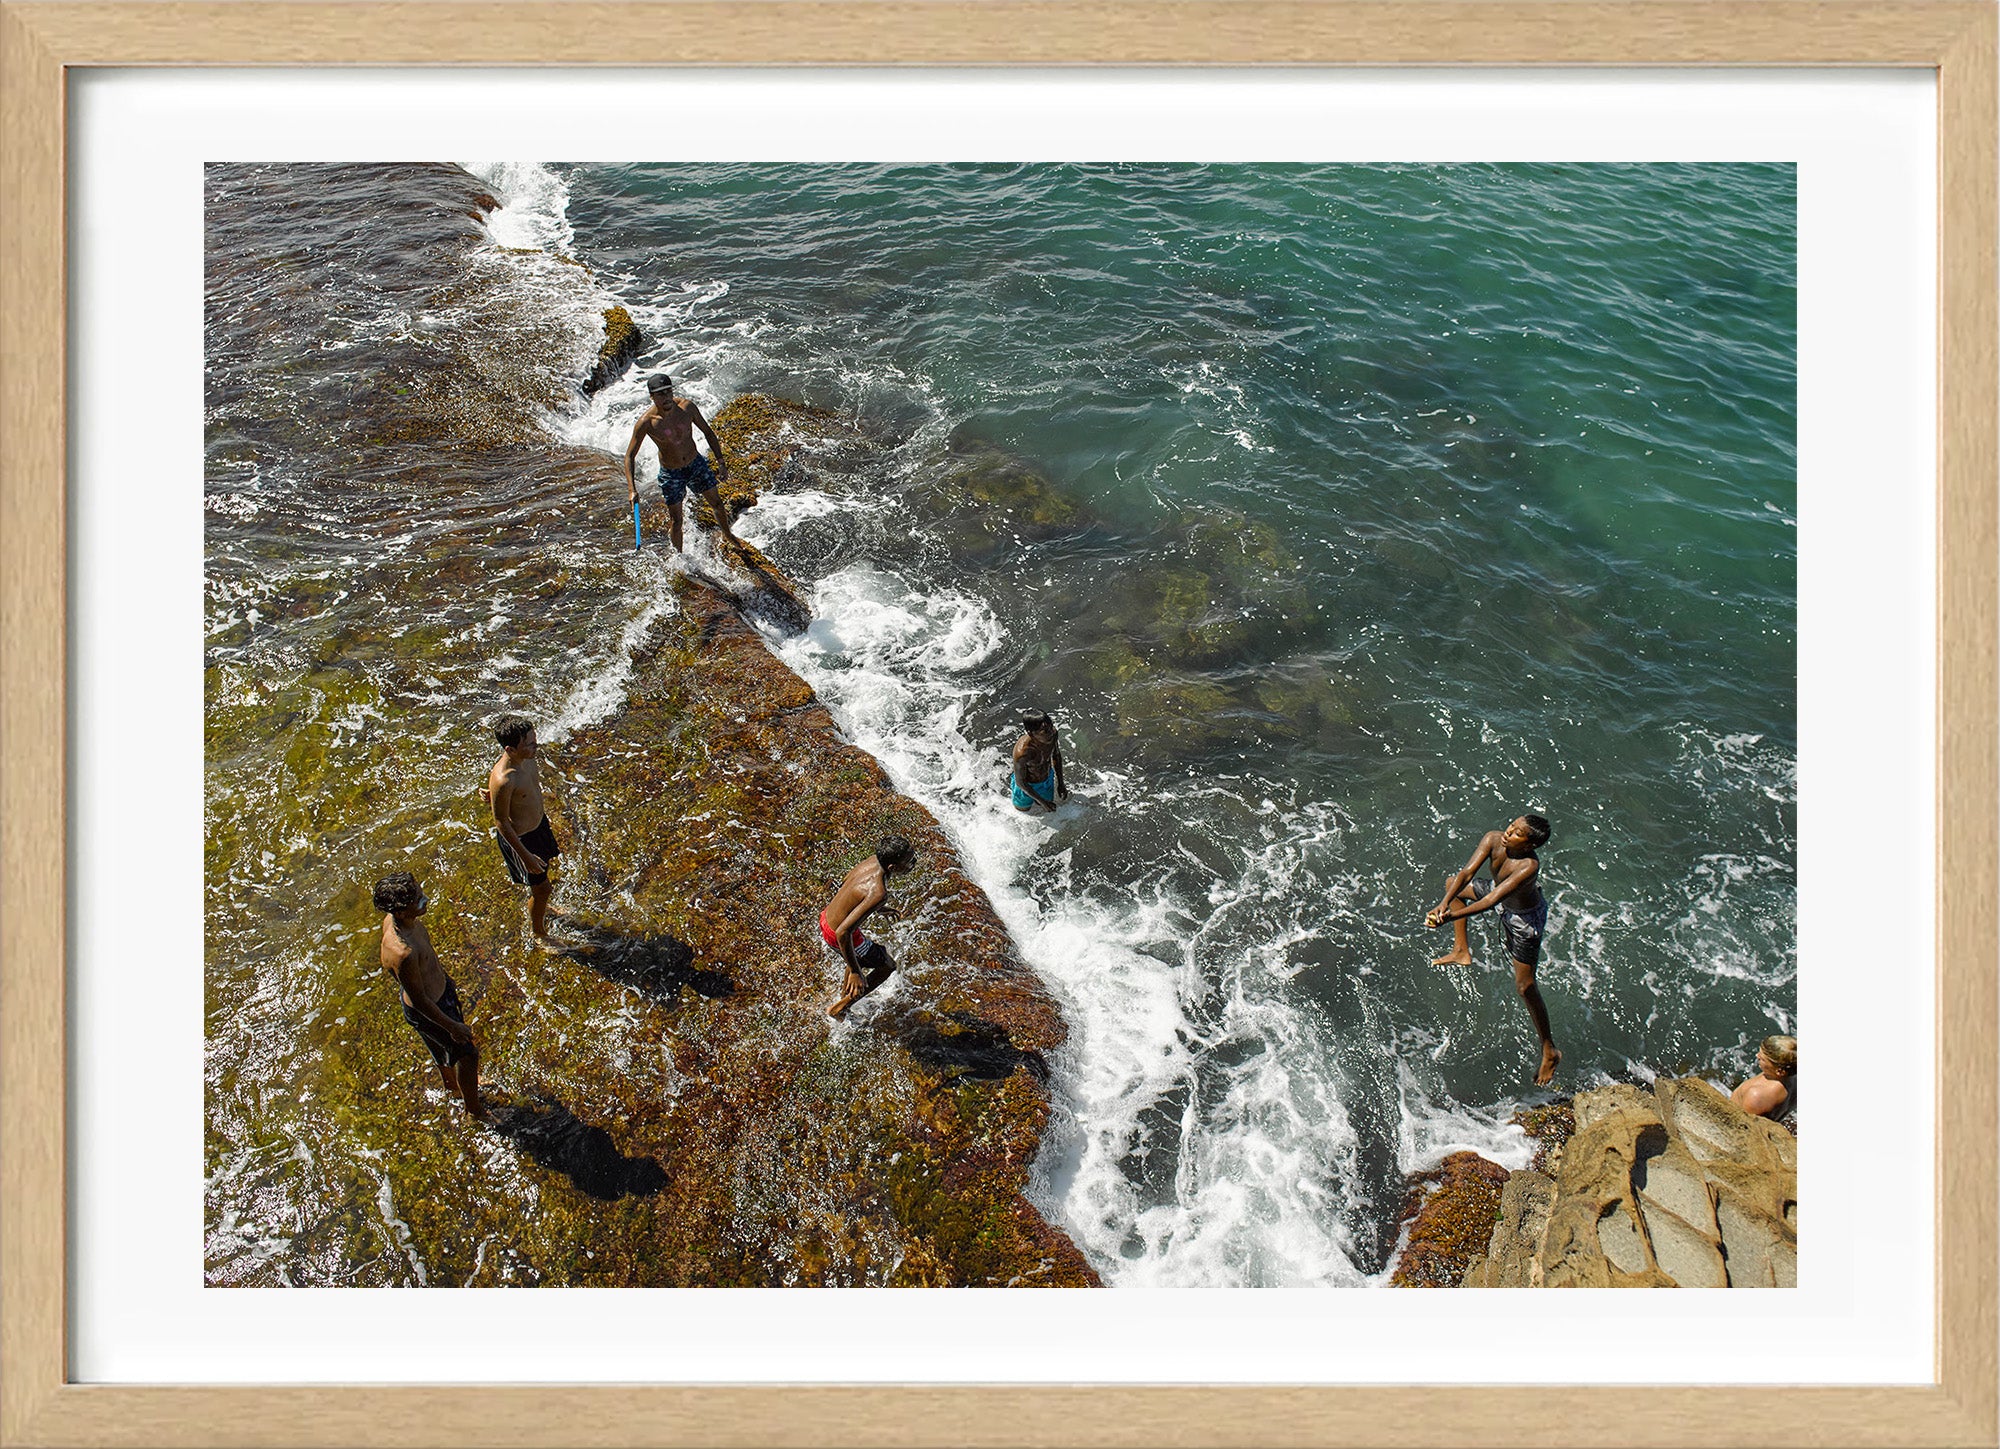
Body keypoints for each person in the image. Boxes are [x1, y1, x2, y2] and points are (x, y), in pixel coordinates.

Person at [1425, 813, 1562, 1086]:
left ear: (1529, 845)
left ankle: (1550, 1050)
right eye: (1512, 825)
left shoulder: (1528, 866)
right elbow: (1466, 874)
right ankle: (1461, 950)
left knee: (1525, 987)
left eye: (1517, 833)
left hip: (1523, 920)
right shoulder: (1493, 839)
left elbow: (1491, 901)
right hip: (1498, 895)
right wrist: (1443, 904)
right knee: (1453, 884)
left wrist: (1449, 917)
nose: (1509, 832)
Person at [374, 871, 492, 1122]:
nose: (425, 899)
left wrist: (445, 981)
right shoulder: (403, 952)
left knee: (442, 1050)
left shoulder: (399, 921)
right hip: (430, 1009)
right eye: (418, 899)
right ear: (401, 912)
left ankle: (453, 1087)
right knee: (469, 1056)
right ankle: (475, 1112)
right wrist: (452, 1026)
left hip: (439, 995)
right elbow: (419, 1001)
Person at [622, 372, 739, 554]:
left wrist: (721, 462)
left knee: (717, 503)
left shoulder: (687, 408)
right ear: (652, 396)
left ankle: (728, 535)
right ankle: (679, 557)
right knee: (677, 521)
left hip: (695, 464)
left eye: (668, 391)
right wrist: (632, 490)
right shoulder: (647, 423)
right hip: (672, 473)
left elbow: (708, 432)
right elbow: (630, 456)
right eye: (660, 394)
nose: (666, 397)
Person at [820, 835, 916, 1019]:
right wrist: (855, 972)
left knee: (861, 953)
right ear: (892, 868)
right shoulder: (878, 893)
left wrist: (877, 908)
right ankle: (840, 1009)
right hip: (837, 933)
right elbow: (843, 932)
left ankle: (844, 995)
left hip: (827, 917)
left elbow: (848, 884)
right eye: (909, 862)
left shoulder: (872, 861)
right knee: (887, 965)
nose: (913, 864)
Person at [484, 715, 560, 939]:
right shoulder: (504, 779)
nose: (536, 746)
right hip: (523, 840)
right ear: (510, 749)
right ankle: (539, 934)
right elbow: (501, 822)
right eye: (529, 744)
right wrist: (526, 856)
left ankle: (541, 903)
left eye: (534, 740)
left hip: (539, 826)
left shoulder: (527, 758)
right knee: (543, 888)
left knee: (542, 880)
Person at [1010, 708, 1069, 813]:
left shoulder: (1053, 734)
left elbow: (1056, 755)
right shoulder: (1022, 753)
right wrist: (1043, 802)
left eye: (1051, 727)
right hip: (1026, 787)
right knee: (1022, 813)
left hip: (1046, 781)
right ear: (1031, 733)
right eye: (1045, 731)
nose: (1050, 733)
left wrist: (1061, 783)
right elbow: (1021, 783)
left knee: (1048, 810)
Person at [1731, 1034, 1797, 1121]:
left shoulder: (1757, 1096)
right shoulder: (1794, 1078)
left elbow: (1742, 1123)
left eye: (1762, 1059)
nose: (1757, 1056)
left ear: (1780, 1071)